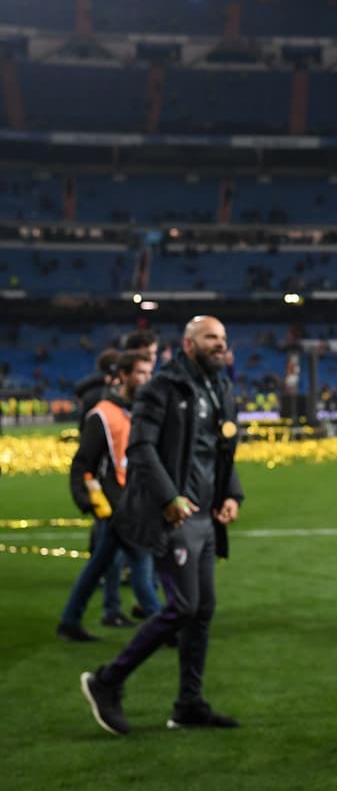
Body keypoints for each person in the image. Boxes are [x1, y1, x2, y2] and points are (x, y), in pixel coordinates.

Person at [79, 315, 245, 736]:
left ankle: (188, 704)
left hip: (207, 517)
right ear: (189, 344)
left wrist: (231, 494)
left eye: (223, 338)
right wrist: (169, 497)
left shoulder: (220, 387)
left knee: (202, 610)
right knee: (183, 607)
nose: (219, 344)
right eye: (211, 337)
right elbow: (140, 447)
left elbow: (221, 451)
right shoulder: (162, 388)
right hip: (177, 516)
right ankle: (106, 680)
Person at [56, 351, 163, 642]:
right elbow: (83, 463)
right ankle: (164, 627)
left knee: (98, 567)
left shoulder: (140, 411)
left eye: (148, 372)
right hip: (117, 506)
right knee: (141, 564)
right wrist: (89, 501)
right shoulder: (102, 414)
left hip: (135, 503)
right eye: (140, 373)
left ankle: (69, 620)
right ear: (124, 375)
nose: (146, 379)